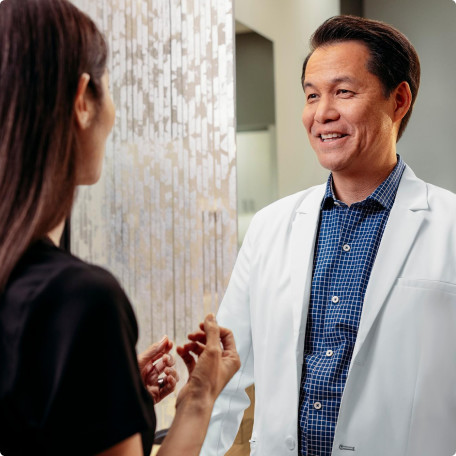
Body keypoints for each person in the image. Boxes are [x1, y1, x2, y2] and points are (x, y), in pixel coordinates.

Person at [201, 15, 456, 456]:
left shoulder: (449, 225)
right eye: (312, 95)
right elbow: (226, 373)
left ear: (398, 100)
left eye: (343, 92)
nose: (322, 114)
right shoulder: (269, 226)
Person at [0, 0, 240, 455]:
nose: (112, 113)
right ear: (82, 101)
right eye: (109, 90)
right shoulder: (79, 299)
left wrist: (110, 392)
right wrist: (199, 397)